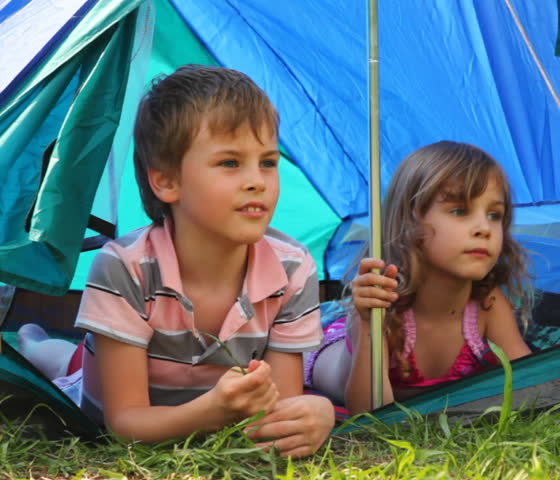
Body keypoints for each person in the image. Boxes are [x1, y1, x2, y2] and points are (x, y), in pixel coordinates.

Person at [17, 64, 334, 457]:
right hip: (108, 384)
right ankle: (34, 344)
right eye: (230, 163)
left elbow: (278, 411)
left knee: (78, 357)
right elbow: (124, 424)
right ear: (166, 181)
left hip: (200, 396)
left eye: (268, 162)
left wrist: (315, 413)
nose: (257, 180)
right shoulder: (124, 267)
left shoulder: (293, 269)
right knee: (63, 364)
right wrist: (210, 412)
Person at [307, 141, 533, 414]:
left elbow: (530, 383)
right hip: (327, 350)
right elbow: (370, 414)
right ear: (410, 224)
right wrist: (367, 327)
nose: (484, 228)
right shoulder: (382, 309)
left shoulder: (487, 303)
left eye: (494, 215)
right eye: (460, 211)